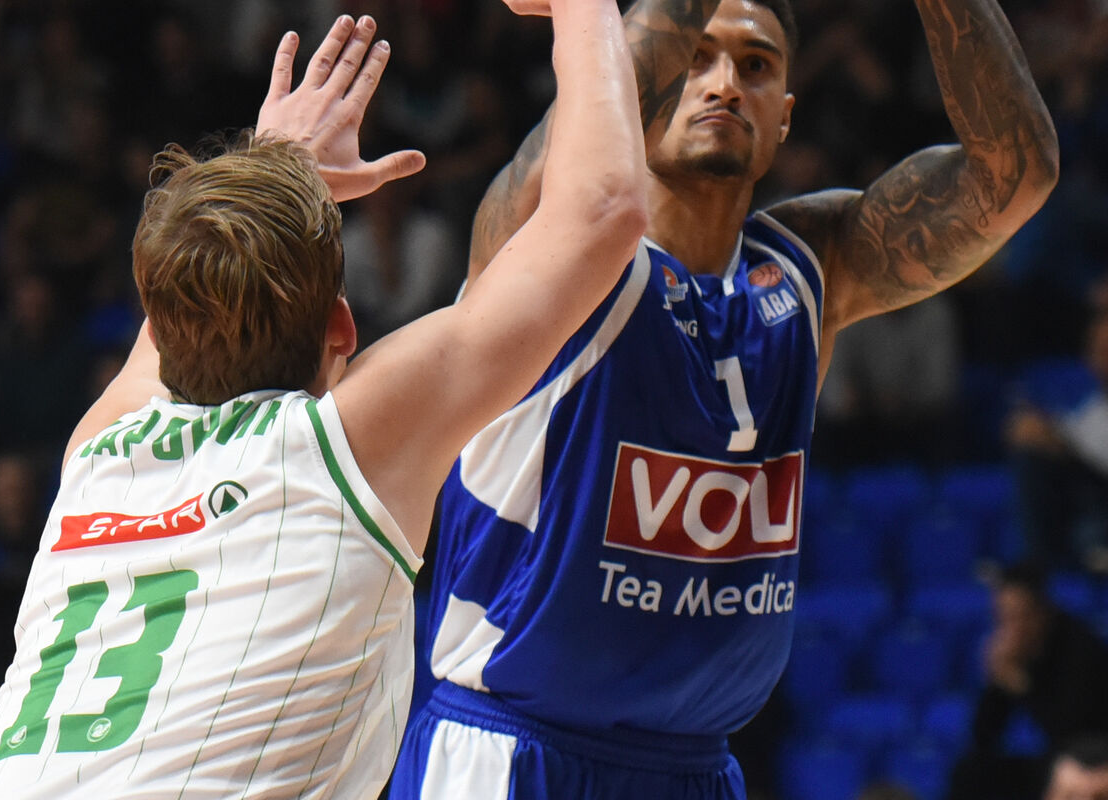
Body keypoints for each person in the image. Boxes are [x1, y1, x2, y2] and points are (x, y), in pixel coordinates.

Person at [0, 2, 648, 798]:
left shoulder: (98, 450)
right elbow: (604, 211)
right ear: (344, 328)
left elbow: (185, 289)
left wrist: (279, 168)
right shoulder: (343, 450)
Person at [389, 0, 1059, 796]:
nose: (724, 84)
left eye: (756, 65)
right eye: (695, 57)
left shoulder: (811, 268)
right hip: (513, 752)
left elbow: (1015, 176)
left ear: (785, 117)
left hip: (696, 767)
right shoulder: (550, 251)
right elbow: (587, 132)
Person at [946, 563, 1108, 800]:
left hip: (1093, 757)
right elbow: (983, 738)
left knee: (1067, 768)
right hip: (1052, 759)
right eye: (1004, 617)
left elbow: (1070, 731)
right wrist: (996, 681)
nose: (1012, 627)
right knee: (971, 771)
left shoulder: (1082, 649)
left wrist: (1021, 686)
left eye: (1019, 616)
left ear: (1040, 612)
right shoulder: (1014, 652)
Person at [1007, 310, 1108, 573]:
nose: (1099, 359)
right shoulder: (1092, 405)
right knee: (1032, 457)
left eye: (1105, 350)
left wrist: (1060, 444)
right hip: (1086, 507)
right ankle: (1038, 565)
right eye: (1095, 349)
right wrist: (1046, 435)